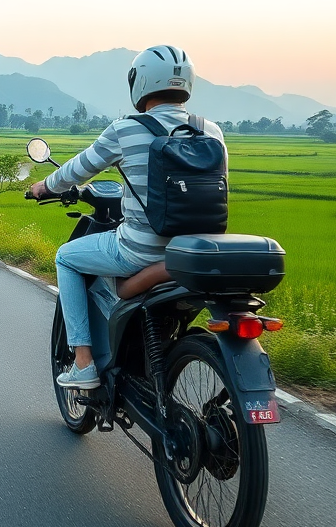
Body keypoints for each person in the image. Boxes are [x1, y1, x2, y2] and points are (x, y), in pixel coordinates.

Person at [30, 46, 227, 389]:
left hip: (141, 252)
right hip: (198, 250)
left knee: (66, 257)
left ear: (141, 83)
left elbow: (76, 170)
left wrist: (44, 187)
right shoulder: (211, 131)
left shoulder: (127, 129)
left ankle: (83, 362)